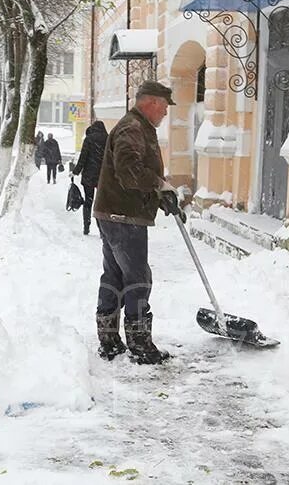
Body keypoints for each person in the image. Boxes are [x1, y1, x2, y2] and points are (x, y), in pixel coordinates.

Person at [91, 81, 183, 365]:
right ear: (152, 103)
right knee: (137, 279)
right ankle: (140, 344)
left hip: (114, 213)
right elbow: (129, 171)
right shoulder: (133, 128)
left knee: (115, 276)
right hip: (123, 217)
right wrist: (159, 186)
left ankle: (109, 340)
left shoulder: (137, 126)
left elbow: (132, 174)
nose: (165, 113)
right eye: (164, 107)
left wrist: (160, 195)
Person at [72, 120, 107, 235]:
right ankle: (102, 230)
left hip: (89, 176)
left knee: (88, 201)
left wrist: (76, 171)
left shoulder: (89, 139)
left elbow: (83, 157)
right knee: (101, 204)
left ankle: (86, 226)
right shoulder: (108, 139)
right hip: (103, 176)